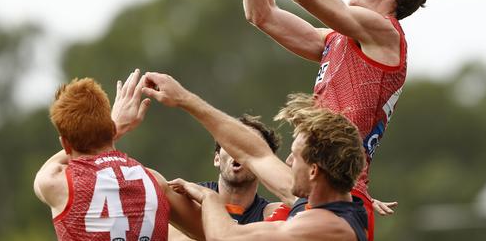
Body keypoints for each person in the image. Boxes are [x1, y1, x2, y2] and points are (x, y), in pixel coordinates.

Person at [220, 0, 433, 235]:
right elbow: (262, 14)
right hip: (312, 190)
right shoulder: (340, 39)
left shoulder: (385, 34)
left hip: (340, 198)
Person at [141, 71, 369, 241]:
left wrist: (209, 197)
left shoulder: (326, 225)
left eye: (294, 156)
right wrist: (183, 98)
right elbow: (256, 154)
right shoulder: (320, 203)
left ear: (314, 170)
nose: (287, 163)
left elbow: (226, 239)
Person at [33, 69, 203, 241]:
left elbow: (45, 171)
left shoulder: (57, 183)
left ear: (65, 144)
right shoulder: (155, 181)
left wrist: (118, 126)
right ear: (110, 129)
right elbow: (209, 230)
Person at [168, 114, 283, 240]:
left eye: (249, 146)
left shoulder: (274, 215)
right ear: (217, 159)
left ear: (264, 166)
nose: (238, 150)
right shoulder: (185, 200)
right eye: (231, 143)